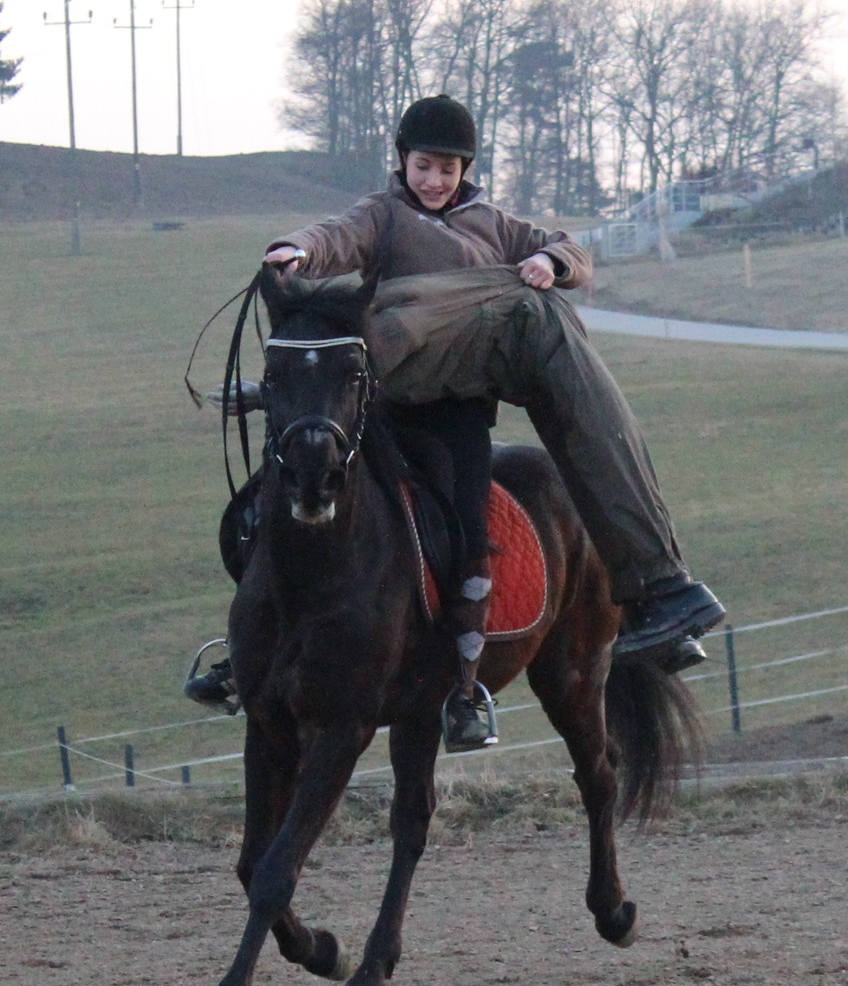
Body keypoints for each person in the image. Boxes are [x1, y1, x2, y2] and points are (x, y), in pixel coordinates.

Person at [186, 95, 724, 741]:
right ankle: (245, 652)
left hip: (456, 417)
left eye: (446, 169)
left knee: (468, 537)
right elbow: (335, 236)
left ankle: (464, 690)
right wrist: (295, 251)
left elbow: (571, 253)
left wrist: (549, 263)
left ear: (464, 171)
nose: (434, 180)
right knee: (270, 501)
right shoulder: (383, 216)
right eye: (423, 166)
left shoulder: (494, 225)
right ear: (403, 163)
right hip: (386, 408)